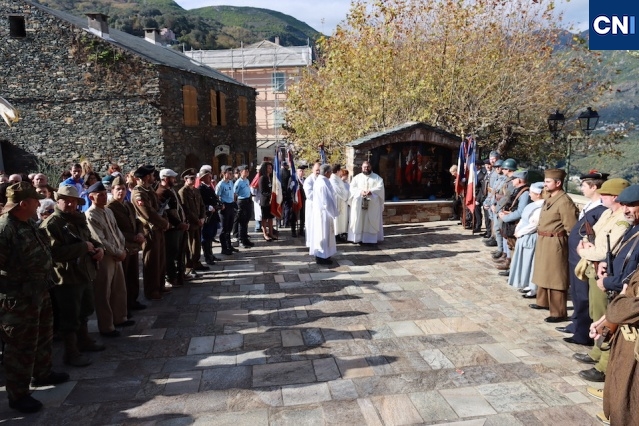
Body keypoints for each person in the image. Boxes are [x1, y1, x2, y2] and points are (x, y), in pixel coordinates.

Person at [0, 182, 69, 413]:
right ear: (23, 204)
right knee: (20, 346)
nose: (39, 205)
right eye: (35, 201)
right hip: (17, 300)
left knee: (43, 336)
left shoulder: (28, 222)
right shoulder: (5, 229)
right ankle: (18, 395)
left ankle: (42, 373)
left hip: (39, 291)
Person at [41, 185, 105, 367]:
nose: (70, 204)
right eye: (66, 200)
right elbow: (54, 253)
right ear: (58, 200)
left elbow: (89, 239)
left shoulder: (77, 219)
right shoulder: (52, 224)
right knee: (70, 316)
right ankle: (71, 353)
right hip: (66, 277)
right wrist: (83, 247)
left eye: (73, 201)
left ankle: (84, 341)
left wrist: (99, 248)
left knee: (85, 309)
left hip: (83, 272)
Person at [593, 186, 639, 425]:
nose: (627, 210)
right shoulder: (634, 229)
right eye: (625, 205)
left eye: (632, 205)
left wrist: (611, 286)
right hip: (623, 309)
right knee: (619, 378)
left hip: (632, 324)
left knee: (628, 388)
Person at [572, 178, 630, 353]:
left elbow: (603, 252)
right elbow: (591, 234)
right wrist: (585, 244)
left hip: (604, 271)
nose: (601, 196)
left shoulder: (622, 220)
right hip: (593, 268)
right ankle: (596, 353)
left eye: (605, 194)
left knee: (602, 314)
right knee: (593, 311)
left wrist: (582, 251)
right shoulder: (607, 213)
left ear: (616, 197)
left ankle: (601, 357)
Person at [559, 172, 608, 343]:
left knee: (583, 296)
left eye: (584, 185)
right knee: (576, 293)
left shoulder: (601, 209)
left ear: (594, 187)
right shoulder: (591, 205)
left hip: (585, 258)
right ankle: (576, 324)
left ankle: (582, 334)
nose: (581, 189)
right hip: (576, 256)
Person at [84, 181, 131, 338]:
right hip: (106, 257)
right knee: (104, 292)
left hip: (117, 254)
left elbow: (117, 232)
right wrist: (117, 252)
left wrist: (122, 248)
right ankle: (106, 326)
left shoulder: (108, 211)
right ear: (91, 197)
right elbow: (100, 239)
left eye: (105, 194)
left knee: (119, 288)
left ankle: (120, 317)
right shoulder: (91, 215)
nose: (105, 197)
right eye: (101, 195)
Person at [530, 169, 578, 322]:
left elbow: (571, 226)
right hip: (544, 239)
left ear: (558, 183)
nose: (545, 184)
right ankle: (543, 301)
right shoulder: (550, 196)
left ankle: (558, 312)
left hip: (555, 241)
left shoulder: (564, 201)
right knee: (543, 271)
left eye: (548, 181)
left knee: (556, 276)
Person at [107, 175, 146, 313]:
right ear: (112, 190)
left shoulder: (128, 205)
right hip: (122, 246)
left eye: (123, 189)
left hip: (134, 246)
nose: (121, 192)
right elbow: (115, 229)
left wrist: (140, 233)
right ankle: (124, 307)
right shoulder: (110, 208)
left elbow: (137, 221)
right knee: (122, 278)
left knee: (133, 275)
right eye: (118, 189)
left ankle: (133, 300)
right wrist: (133, 237)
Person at [131, 165, 170, 301]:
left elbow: (158, 207)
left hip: (158, 228)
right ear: (147, 177)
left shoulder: (149, 190)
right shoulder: (138, 193)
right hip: (149, 230)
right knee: (151, 261)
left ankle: (159, 285)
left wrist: (164, 221)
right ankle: (151, 290)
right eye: (152, 175)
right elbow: (148, 213)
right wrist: (163, 223)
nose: (154, 177)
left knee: (160, 259)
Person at [508, 182, 544, 294]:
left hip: (530, 237)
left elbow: (534, 224)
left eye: (531, 193)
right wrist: (517, 229)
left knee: (531, 262)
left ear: (538, 194)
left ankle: (533, 287)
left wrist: (521, 232)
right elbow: (523, 219)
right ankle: (527, 283)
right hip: (523, 236)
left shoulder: (541, 207)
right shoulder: (531, 205)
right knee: (524, 261)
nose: (529, 194)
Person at [156, 169, 189, 288]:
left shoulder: (171, 191)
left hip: (180, 226)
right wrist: (178, 223)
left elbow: (180, 207)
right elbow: (167, 213)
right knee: (171, 253)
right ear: (165, 179)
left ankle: (180, 274)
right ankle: (171, 276)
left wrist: (184, 220)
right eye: (172, 178)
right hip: (172, 228)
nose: (174, 180)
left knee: (180, 251)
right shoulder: (161, 193)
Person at [494, 169, 530, 276]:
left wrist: (505, 217)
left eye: (514, 179)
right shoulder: (517, 190)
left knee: (515, 248)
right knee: (511, 247)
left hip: (516, 224)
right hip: (511, 223)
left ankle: (514, 271)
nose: (512, 180)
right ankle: (512, 269)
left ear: (519, 180)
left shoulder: (525, 193)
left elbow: (521, 212)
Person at [179, 168, 209, 272]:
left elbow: (202, 205)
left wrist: (203, 217)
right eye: (191, 178)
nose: (193, 180)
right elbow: (186, 209)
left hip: (198, 222)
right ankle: (189, 266)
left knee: (197, 245)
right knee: (189, 245)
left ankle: (196, 262)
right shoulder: (183, 192)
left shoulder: (196, 190)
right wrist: (197, 220)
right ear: (185, 179)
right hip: (190, 223)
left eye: (194, 178)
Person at [348, 161, 384, 244]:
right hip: (359, 203)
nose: (366, 168)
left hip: (372, 204)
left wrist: (371, 191)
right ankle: (358, 239)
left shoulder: (377, 178)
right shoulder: (356, 178)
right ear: (362, 168)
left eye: (368, 167)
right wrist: (360, 192)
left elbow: (380, 188)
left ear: (370, 167)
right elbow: (352, 188)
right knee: (358, 220)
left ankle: (370, 240)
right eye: (364, 167)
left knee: (370, 221)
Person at [309, 164, 338, 265]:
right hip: (324, 213)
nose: (331, 174)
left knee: (323, 234)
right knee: (323, 234)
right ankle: (322, 256)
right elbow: (327, 201)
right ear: (326, 173)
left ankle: (324, 255)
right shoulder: (322, 183)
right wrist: (333, 212)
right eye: (330, 172)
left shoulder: (321, 181)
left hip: (321, 212)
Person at [216, 166, 238, 254]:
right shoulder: (220, 184)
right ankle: (224, 248)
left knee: (229, 228)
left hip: (231, 205)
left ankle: (229, 245)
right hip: (224, 207)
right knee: (224, 229)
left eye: (231, 173)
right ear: (224, 174)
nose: (231, 175)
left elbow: (233, 193)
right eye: (229, 173)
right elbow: (217, 196)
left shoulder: (231, 183)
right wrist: (221, 205)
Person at [233, 165, 254, 248]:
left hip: (247, 200)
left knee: (246, 221)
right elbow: (235, 193)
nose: (247, 172)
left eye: (248, 171)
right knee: (242, 222)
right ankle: (241, 240)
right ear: (241, 172)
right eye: (245, 171)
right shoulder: (238, 182)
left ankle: (245, 238)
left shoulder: (247, 180)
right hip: (241, 202)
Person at [329, 164, 349, 242]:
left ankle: (340, 233)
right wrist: (346, 196)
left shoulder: (337, 178)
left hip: (342, 201)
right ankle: (336, 235)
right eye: (340, 170)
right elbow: (338, 191)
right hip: (337, 201)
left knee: (341, 219)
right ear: (338, 171)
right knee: (337, 219)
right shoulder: (333, 179)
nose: (341, 171)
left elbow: (343, 189)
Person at [258, 162, 276, 241]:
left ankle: (271, 233)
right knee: (265, 218)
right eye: (269, 168)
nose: (270, 169)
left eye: (271, 168)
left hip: (271, 201)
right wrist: (270, 195)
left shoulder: (271, 178)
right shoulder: (262, 178)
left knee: (271, 217)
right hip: (265, 201)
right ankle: (265, 234)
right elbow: (262, 191)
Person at [303, 163, 320, 247]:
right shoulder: (309, 180)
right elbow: (309, 194)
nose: (318, 172)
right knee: (311, 225)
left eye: (319, 170)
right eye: (317, 170)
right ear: (312, 170)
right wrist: (321, 194)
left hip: (320, 207)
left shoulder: (321, 179)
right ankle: (311, 243)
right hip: (312, 206)